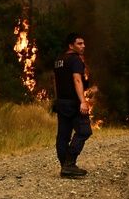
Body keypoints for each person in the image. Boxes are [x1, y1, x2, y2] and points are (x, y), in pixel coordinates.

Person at [53, 32, 93, 178]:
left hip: (61, 102)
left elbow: (56, 81)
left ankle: (65, 167)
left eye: (83, 43)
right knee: (84, 131)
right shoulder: (75, 60)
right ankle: (69, 164)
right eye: (79, 44)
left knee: (63, 135)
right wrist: (82, 101)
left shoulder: (59, 60)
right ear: (71, 45)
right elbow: (77, 80)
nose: (83, 46)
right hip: (73, 103)